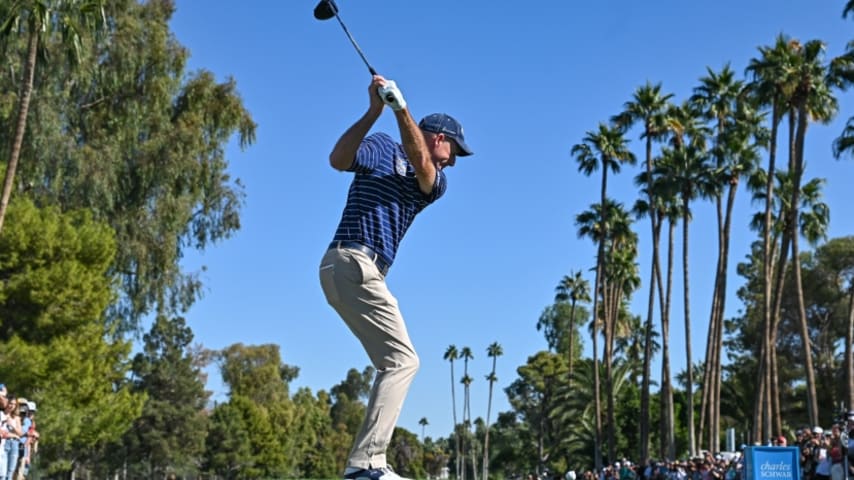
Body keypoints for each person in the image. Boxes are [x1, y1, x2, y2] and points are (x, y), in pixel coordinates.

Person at [319, 74, 473, 480]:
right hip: (349, 260)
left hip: (358, 271)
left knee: (395, 361)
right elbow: (338, 159)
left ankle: (364, 463)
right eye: (453, 149)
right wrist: (374, 111)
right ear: (439, 137)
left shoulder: (435, 182)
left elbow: (421, 162)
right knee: (403, 360)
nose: (452, 160)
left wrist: (400, 108)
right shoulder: (382, 147)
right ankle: (365, 464)